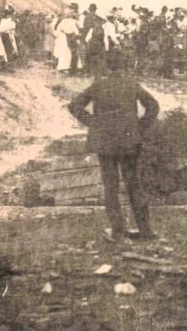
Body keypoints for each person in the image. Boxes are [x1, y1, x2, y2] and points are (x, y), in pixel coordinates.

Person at [68, 52, 160, 241]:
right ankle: (145, 231)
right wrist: (139, 127)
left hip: (105, 142)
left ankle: (118, 231)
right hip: (129, 141)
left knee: (110, 187)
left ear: (107, 66)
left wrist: (93, 123)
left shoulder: (99, 85)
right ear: (124, 65)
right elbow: (153, 106)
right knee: (134, 184)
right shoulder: (131, 83)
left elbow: (75, 106)